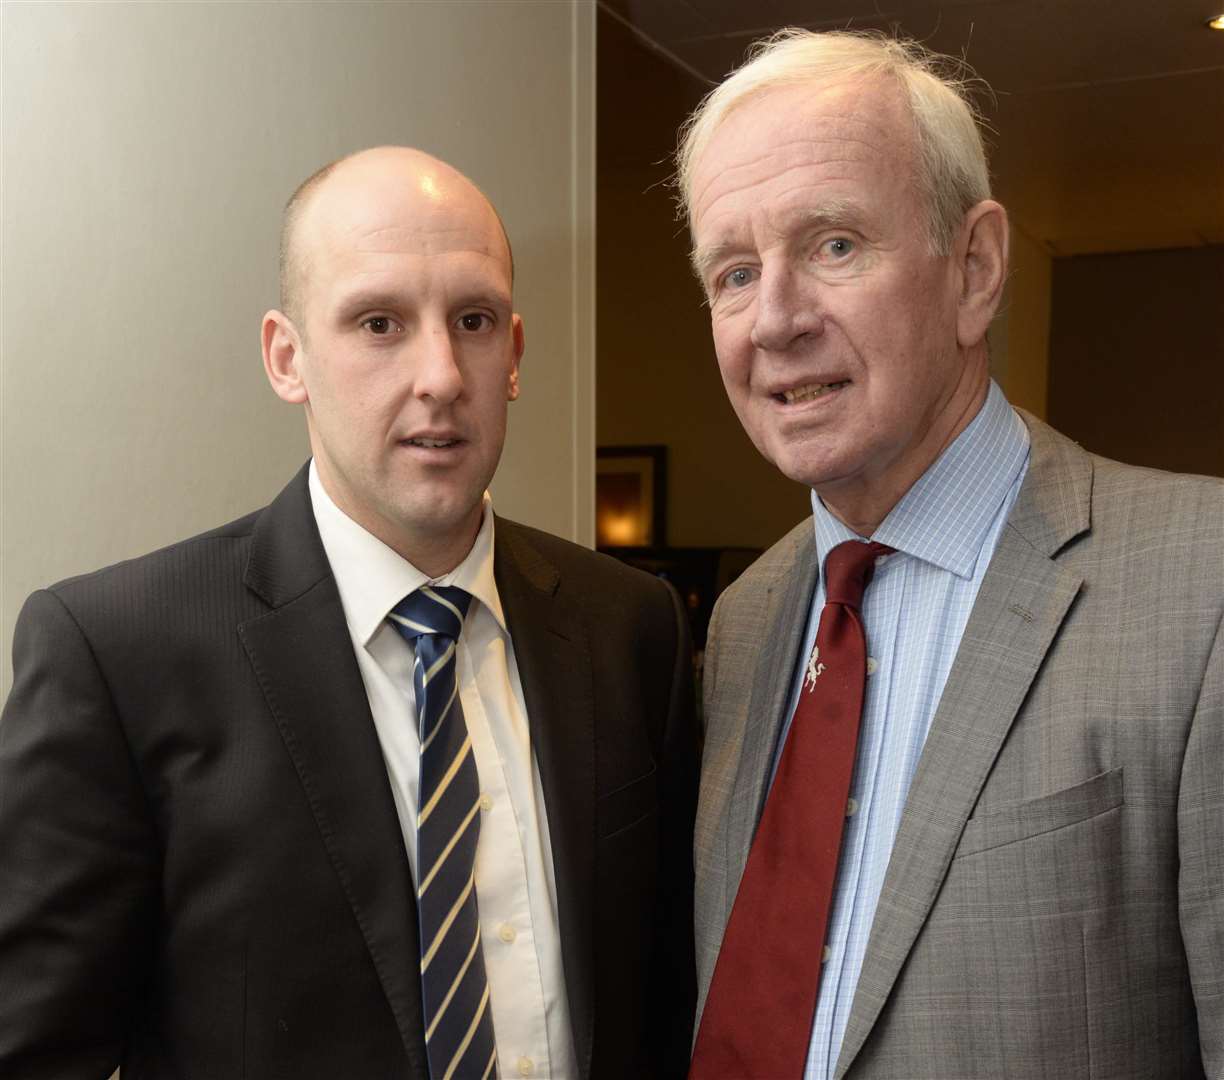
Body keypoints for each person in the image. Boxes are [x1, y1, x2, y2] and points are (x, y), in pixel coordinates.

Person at [0, 146, 697, 1079]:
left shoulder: (631, 627)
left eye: (474, 320)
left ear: (516, 356)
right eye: (379, 323)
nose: (442, 375)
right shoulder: (118, 654)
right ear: (288, 358)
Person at [677, 30, 1223, 1080]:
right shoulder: (744, 624)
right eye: (734, 273)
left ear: (975, 269)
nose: (776, 319)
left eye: (833, 244)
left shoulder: (1203, 589)